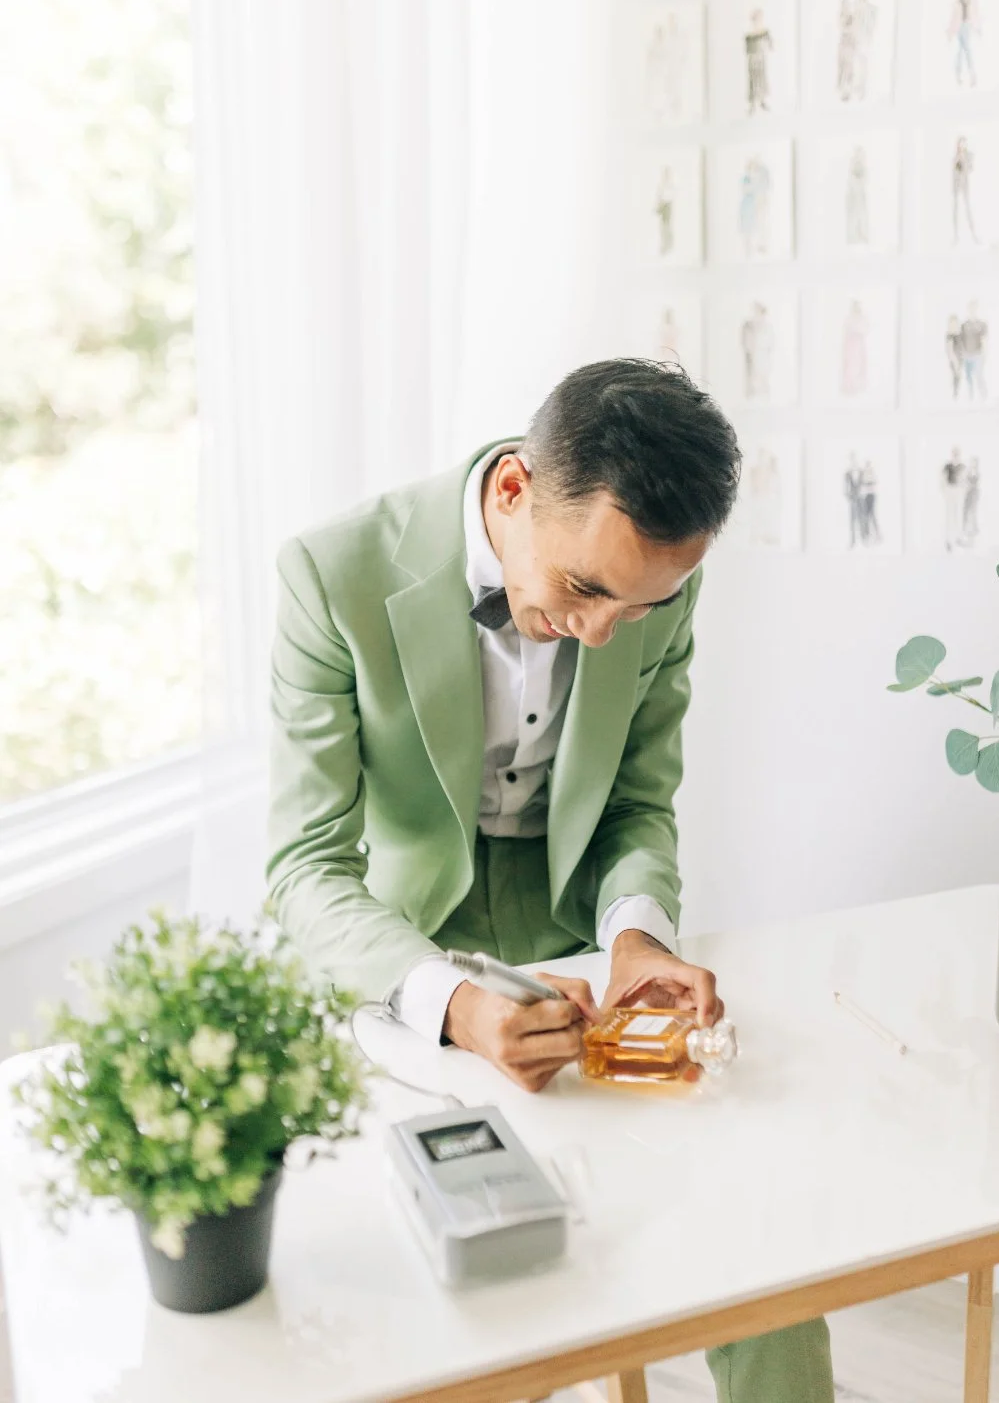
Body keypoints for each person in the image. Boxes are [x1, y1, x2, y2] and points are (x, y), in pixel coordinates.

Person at [268, 358, 836, 1403]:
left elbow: (635, 804)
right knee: (475, 1279)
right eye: (583, 590)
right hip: (401, 951)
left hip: (579, 926)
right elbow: (305, 868)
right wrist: (454, 1005)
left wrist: (639, 935)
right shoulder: (328, 573)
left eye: (641, 602)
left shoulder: (653, 579)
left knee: (763, 1234)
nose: (606, 629)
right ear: (516, 489)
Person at [948, 0, 980, 88]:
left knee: (965, 50)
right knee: (962, 51)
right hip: (959, 27)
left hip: (966, 26)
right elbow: (954, 15)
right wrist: (951, 31)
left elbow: (975, 14)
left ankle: (967, 75)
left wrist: (977, 28)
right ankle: (963, 75)